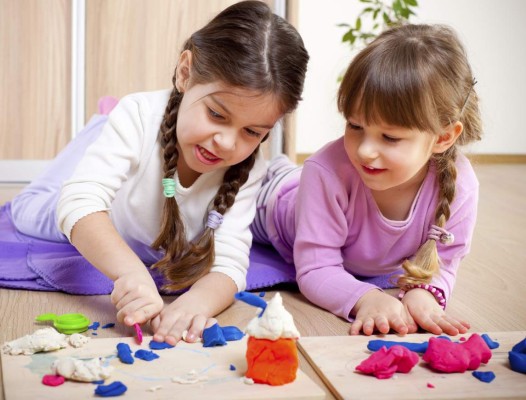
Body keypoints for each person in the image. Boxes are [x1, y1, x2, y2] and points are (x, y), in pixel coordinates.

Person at [2, 0, 309, 345]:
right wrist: (130, 272)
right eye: (217, 115)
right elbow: (79, 202)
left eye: (252, 132)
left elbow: (231, 262)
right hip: (117, 187)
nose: (225, 142)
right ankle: (102, 126)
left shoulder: (251, 167)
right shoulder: (138, 114)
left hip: (145, 169)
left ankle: (106, 130)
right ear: (184, 72)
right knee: (27, 211)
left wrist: (195, 304)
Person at [251, 23, 482, 336]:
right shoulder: (326, 171)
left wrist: (425, 293)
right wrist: (365, 297)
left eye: (389, 136)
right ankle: (269, 168)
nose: (364, 150)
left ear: (443, 137)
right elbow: (316, 268)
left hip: (308, 188)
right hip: (275, 203)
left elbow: (446, 260)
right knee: (249, 184)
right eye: (355, 126)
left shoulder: (460, 185)